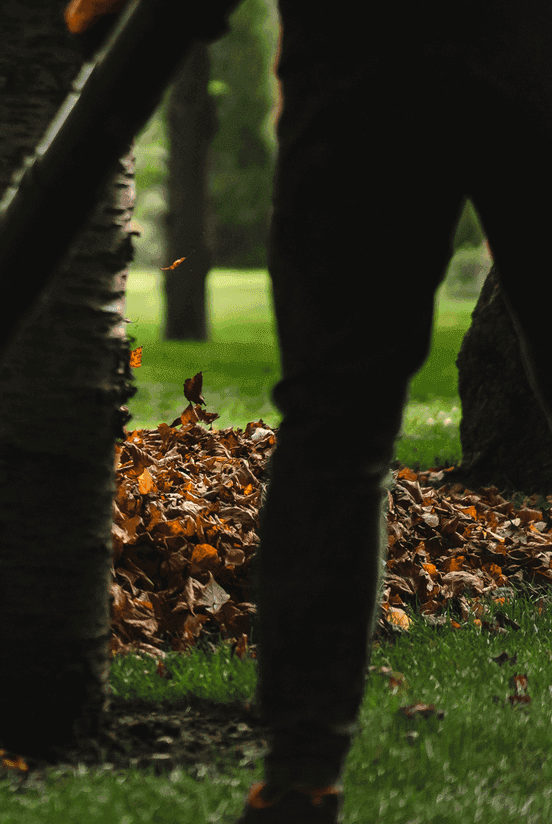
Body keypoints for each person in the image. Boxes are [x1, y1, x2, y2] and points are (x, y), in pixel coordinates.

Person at [240, 4, 552, 822]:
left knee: (336, 422)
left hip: (363, 50)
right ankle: (300, 773)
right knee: (335, 423)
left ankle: (301, 776)